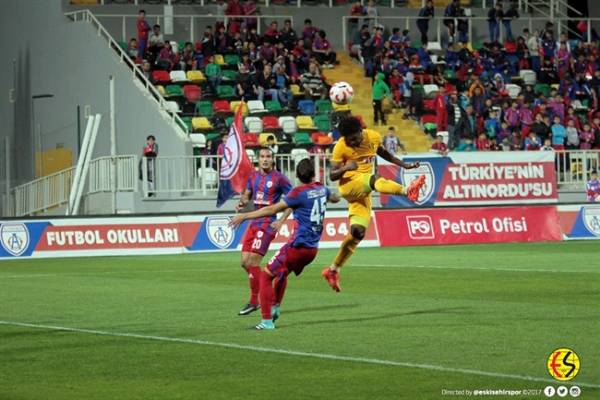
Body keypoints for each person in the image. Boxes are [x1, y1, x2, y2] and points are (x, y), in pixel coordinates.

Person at [230, 159, 341, 329]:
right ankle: (274, 307)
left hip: (297, 246)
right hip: (312, 249)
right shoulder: (321, 189)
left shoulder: (298, 192)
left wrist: (244, 216)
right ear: (314, 174)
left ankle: (266, 321)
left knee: (266, 275)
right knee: (282, 272)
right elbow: (334, 198)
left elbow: (271, 209)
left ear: (297, 175)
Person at [321, 117, 426, 292]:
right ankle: (408, 190)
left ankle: (333, 270)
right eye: (349, 140)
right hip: (349, 185)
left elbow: (384, 153)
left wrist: (404, 165)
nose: (352, 142)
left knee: (358, 233)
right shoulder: (340, 146)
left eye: (354, 138)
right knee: (375, 179)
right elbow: (331, 176)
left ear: (361, 131)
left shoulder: (374, 137)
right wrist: (346, 168)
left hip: (363, 192)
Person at [235, 148, 292, 316]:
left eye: (268, 157)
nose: (265, 159)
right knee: (245, 262)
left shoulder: (280, 179)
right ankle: (273, 276)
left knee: (253, 261)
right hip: (253, 221)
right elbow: (246, 195)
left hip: (267, 223)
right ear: (258, 160)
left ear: (273, 160)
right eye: (262, 157)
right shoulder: (253, 177)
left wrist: (281, 221)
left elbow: (291, 202)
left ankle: (255, 301)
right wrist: (242, 203)